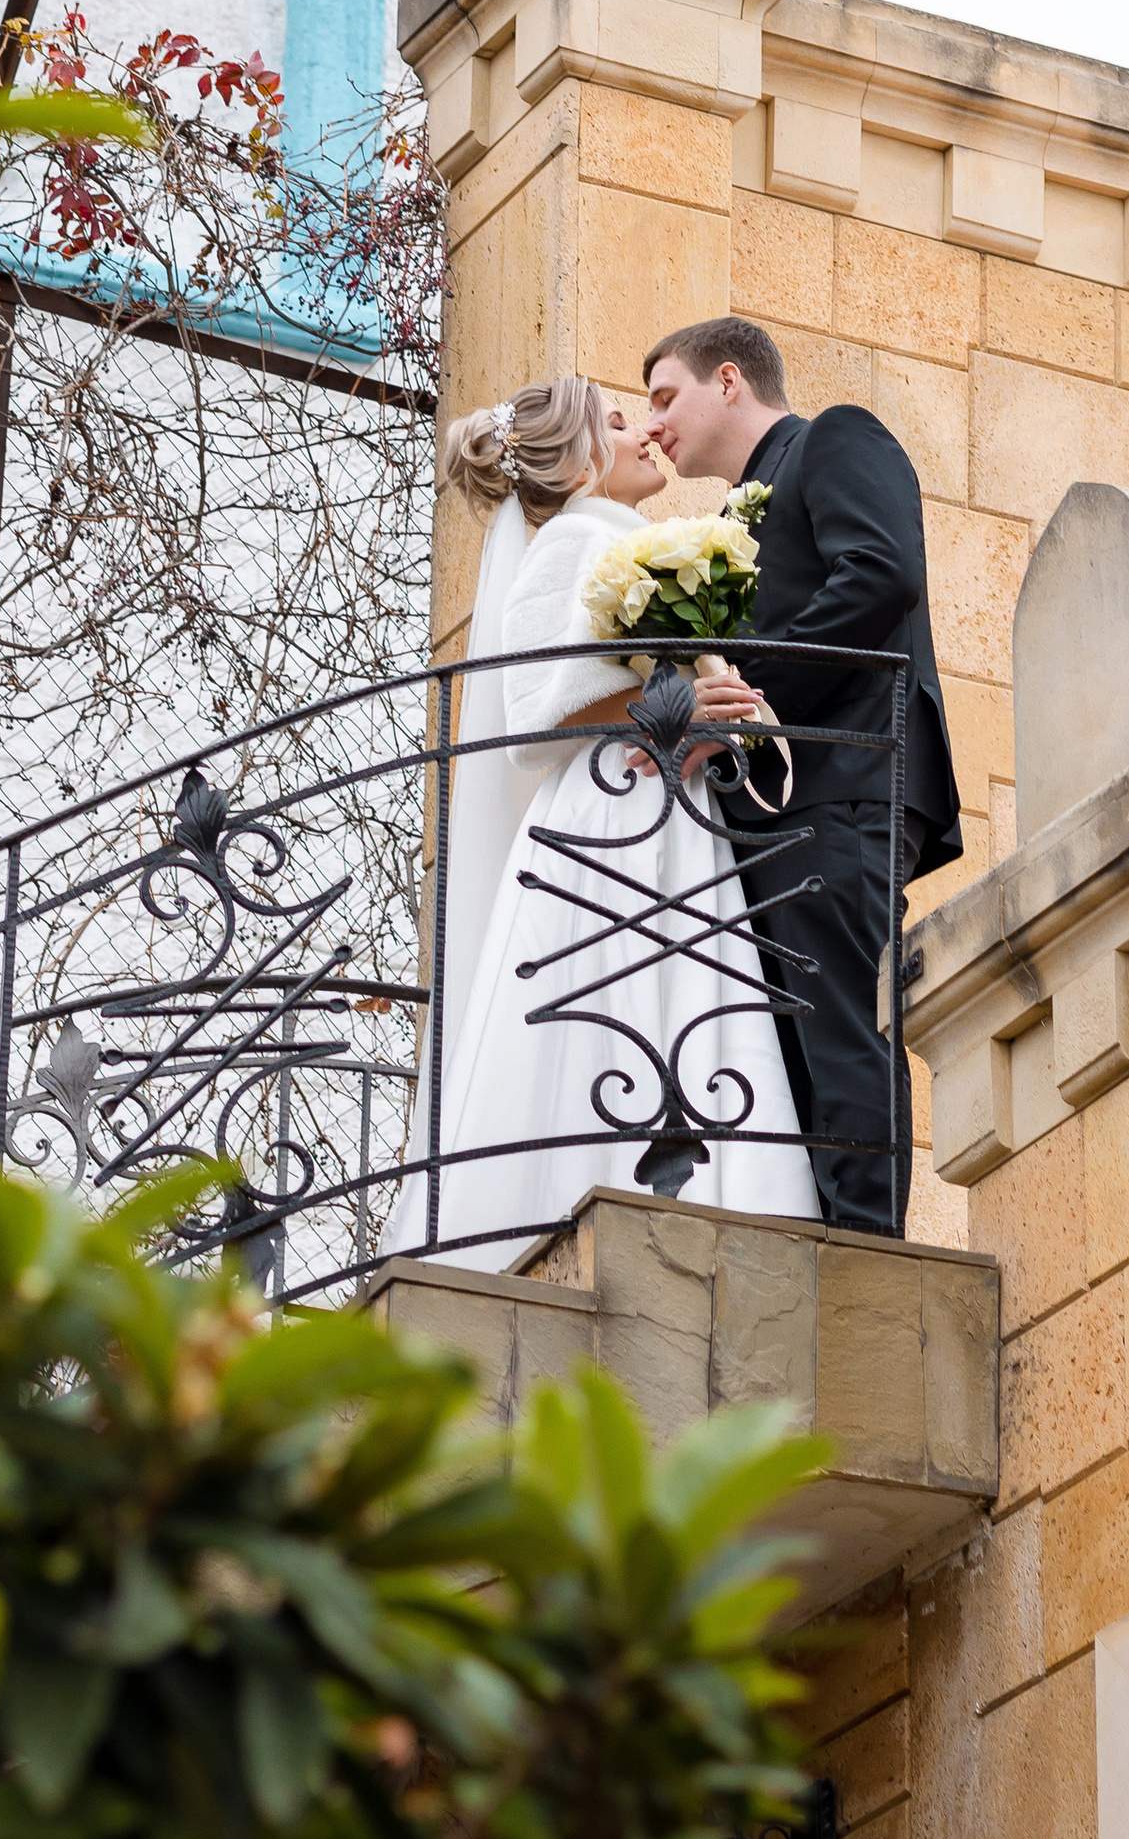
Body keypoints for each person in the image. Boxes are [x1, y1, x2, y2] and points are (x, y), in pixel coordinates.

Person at [380, 376, 818, 1268]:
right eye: (619, 422)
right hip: (612, 805)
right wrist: (678, 701)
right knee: (619, 987)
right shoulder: (574, 540)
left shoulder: (617, 539)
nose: (644, 433)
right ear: (580, 458)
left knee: (677, 983)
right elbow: (539, 711)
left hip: (663, 804)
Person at [642, 319, 963, 1235]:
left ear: (730, 380)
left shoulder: (837, 439)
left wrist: (748, 693)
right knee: (789, 1040)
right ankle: (821, 1232)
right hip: (771, 805)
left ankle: (865, 1254)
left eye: (667, 397)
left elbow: (881, 574)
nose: (655, 424)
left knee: (840, 1027)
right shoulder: (726, 520)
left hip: (845, 781)